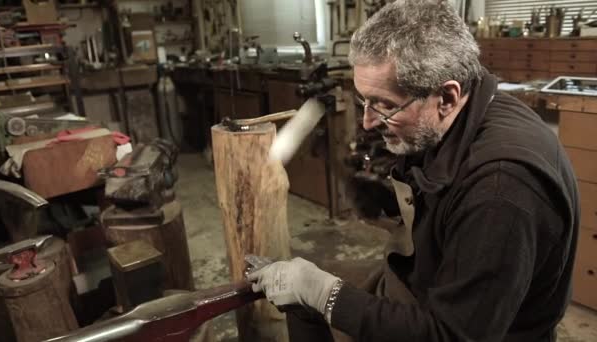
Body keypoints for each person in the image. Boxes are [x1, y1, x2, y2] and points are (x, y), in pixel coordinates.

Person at [248, 1, 580, 341]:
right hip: (428, 281)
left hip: (474, 331)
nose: (368, 121)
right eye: (365, 100)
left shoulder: (502, 189)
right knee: (305, 303)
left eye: (386, 105)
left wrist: (325, 293)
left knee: (316, 300)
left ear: (447, 97)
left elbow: (450, 335)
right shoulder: (468, 105)